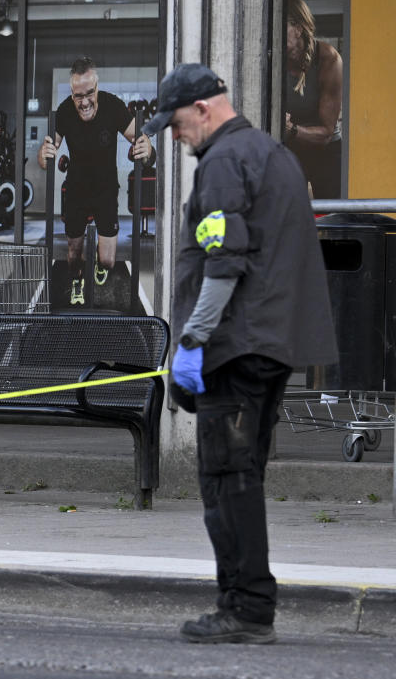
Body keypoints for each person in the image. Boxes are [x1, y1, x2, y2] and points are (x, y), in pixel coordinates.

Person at [143, 63, 337, 644]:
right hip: (270, 348)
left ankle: (247, 608)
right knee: (241, 476)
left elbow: (223, 263)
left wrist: (192, 344)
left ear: (203, 109)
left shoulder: (226, 161)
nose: (173, 138)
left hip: (235, 349)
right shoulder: (274, 155)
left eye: (175, 125)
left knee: (226, 479)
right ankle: (245, 602)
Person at [37, 56, 154, 306]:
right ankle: (77, 278)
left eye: (90, 93)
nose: (85, 101)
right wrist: (45, 154)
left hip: (106, 189)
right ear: (71, 93)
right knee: (73, 253)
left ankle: (100, 265)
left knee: (109, 261)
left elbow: (141, 142)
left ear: (97, 88)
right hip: (77, 189)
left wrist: (147, 149)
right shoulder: (66, 111)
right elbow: (46, 155)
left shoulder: (113, 106)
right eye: (78, 95)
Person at [283, 0, 343, 199]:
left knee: (333, 219)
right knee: (289, 216)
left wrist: (290, 129)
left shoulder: (328, 58)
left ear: (297, 29)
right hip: (291, 148)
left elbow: (326, 133)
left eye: (279, 27)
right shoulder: (273, 59)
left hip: (325, 150)